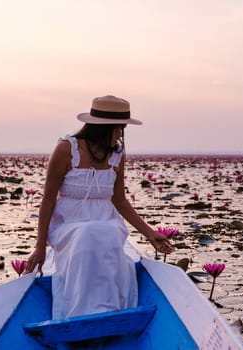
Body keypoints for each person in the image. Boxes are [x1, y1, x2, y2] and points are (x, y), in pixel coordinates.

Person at [24, 95, 174, 320]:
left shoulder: (116, 154)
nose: (120, 135)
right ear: (100, 128)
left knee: (108, 232)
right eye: (117, 129)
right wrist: (40, 246)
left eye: (122, 129)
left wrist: (150, 233)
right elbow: (47, 199)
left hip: (106, 220)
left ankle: (109, 310)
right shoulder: (66, 149)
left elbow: (120, 201)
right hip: (70, 224)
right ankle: (80, 314)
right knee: (87, 234)